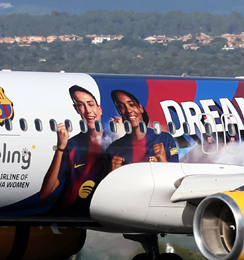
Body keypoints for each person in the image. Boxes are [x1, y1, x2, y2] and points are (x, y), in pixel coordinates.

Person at [39, 85, 108, 215]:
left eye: (91, 104)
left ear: (99, 109)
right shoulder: (72, 145)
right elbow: (45, 193)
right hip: (69, 211)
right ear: (77, 110)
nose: (88, 111)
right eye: (81, 105)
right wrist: (60, 148)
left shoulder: (116, 142)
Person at [105, 89, 180, 169]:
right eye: (121, 106)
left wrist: (163, 161)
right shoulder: (113, 148)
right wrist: (113, 172)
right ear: (120, 112)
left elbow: (174, 175)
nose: (128, 110)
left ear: (140, 108)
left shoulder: (164, 139)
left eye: (131, 104)